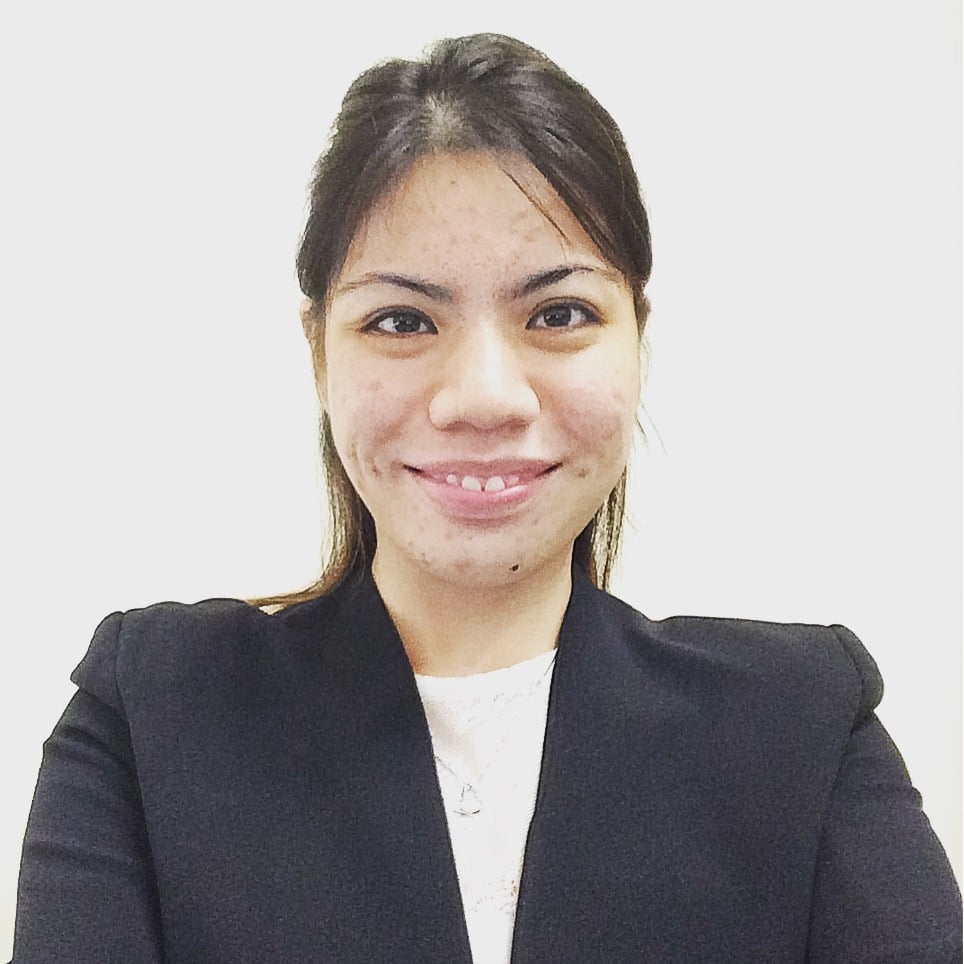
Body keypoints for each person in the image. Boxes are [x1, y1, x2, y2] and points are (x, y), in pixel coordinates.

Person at [8, 32, 961, 964]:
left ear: (637, 339)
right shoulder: (153, 714)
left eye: (559, 314)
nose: (484, 398)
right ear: (319, 354)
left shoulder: (800, 724)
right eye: (401, 320)